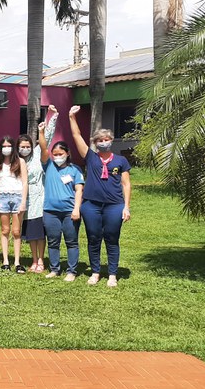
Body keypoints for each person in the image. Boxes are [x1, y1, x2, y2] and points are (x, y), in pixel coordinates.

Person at [68, 106, 131, 287]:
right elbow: (76, 136)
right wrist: (72, 117)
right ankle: (95, 272)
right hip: (91, 206)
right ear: (96, 143)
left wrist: (126, 207)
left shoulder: (121, 161)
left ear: (111, 140)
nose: (104, 142)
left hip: (114, 205)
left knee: (112, 238)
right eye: (100, 140)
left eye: (107, 139)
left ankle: (112, 274)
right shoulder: (90, 157)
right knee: (93, 238)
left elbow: (126, 184)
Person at [38, 133, 84, 281]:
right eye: (55, 154)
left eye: (61, 154)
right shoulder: (49, 165)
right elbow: (43, 149)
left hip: (69, 212)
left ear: (67, 153)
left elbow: (79, 190)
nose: (58, 157)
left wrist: (76, 209)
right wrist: (41, 132)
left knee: (71, 241)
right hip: (50, 211)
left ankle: (72, 271)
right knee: (53, 241)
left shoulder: (75, 169)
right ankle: (54, 269)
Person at [19, 106, 59, 272]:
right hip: (24, 200)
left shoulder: (36, 154)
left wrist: (52, 116)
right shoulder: (17, 161)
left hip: (40, 196)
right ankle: (33, 260)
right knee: (30, 233)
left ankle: (41, 260)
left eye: (28, 145)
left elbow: (47, 139)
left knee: (39, 232)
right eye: (22, 146)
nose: (25, 148)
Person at [0, 136, 28, 273]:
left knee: (16, 231)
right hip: (3, 197)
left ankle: (17, 261)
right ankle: (5, 260)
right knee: (5, 230)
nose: (6, 149)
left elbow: (25, 182)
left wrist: (23, 201)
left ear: (13, 147)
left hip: (17, 196)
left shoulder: (20, 161)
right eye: (3, 146)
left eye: (8, 146)